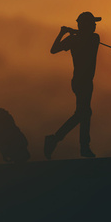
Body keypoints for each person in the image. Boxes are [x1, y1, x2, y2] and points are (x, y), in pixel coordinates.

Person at [44, 11, 101, 159]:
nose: (95, 26)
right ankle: (59, 140)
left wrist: (63, 33)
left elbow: (55, 48)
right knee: (83, 113)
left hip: (84, 81)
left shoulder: (85, 39)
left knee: (84, 113)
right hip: (82, 82)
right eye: (93, 23)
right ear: (87, 26)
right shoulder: (86, 38)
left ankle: (80, 146)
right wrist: (68, 33)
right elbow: (53, 50)